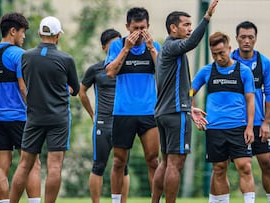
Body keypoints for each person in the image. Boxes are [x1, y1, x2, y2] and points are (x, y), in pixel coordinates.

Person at [152, 1, 218, 202]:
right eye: (186, 25)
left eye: (191, 25)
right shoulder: (173, 46)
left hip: (165, 112)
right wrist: (206, 17)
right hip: (175, 113)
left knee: (165, 162)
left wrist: (190, 107)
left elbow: (176, 85)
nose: (190, 29)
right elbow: (192, 43)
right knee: (175, 164)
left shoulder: (166, 49)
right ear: (173, 28)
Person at [9, 16, 80, 203]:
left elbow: (29, 80)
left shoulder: (26, 56)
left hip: (34, 118)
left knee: (24, 165)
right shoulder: (66, 59)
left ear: (40, 33)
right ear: (57, 35)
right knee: (54, 166)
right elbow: (76, 89)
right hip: (58, 118)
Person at [191, 31, 256, 203]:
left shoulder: (244, 71)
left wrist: (250, 127)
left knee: (245, 167)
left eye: (222, 53)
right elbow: (189, 91)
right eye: (214, 54)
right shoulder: (206, 71)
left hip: (239, 127)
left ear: (229, 48)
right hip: (214, 129)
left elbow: (251, 101)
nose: (218, 57)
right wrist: (191, 110)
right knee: (219, 169)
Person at [104, 7, 160, 203]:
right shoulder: (117, 46)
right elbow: (110, 72)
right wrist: (126, 49)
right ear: (127, 27)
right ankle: (116, 200)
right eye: (135, 28)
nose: (138, 33)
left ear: (148, 27)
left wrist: (152, 49)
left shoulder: (155, 46)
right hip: (123, 111)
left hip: (149, 112)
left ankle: (156, 200)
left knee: (153, 161)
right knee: (119, 161)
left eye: (142, 28)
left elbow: (163, 75)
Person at [0, 12, 41, 203]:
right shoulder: (19, 55)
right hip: (20, 118)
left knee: (2, 167)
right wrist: (34, 110)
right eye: (22, 32)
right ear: (12, 31)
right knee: (33, 164)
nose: (24, 36)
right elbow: (23, 87)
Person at [229, 21, 270, 203]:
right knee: (220, 167)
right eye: (243, 37)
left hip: (258, 123)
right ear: (236, 39)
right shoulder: (228, 60)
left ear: (255, 39)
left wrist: (266, 122)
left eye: (250, 37)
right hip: (233, 123)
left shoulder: (263, 62)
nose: (247, 41)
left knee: (267, 163)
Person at [79, 28, 130, 203]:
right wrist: (93, 115)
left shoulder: (127, 67)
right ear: (103, 48)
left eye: (119, 43)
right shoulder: (95, 69)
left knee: (124, 167)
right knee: (98, 166)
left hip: (123, 122)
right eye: (112, 45)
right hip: (103, 122)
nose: (116, 47)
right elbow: (81, 91)